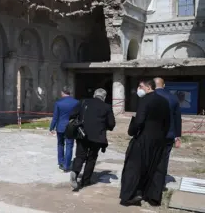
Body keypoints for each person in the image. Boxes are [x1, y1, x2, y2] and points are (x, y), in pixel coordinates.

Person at [119, 79, 171, 207]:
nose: (138, 89)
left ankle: (128, 197)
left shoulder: (145, 100)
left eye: (140, 86)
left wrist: (132, 131)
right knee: (154, 168)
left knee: (133, 167)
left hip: (143, 138)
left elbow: (139, 121)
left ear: (148, 87)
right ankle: (152, 197)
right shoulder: (164, 101)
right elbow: (167, 123)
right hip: (158, 140)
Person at [69, 88, 115, 190]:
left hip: (82, 134)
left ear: (94, 94)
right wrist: (104, 125)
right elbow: (111, 124)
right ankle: (86, 181)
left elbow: (71, 115)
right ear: (104, 97)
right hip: (98, 137)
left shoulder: (83, 102)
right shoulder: (107, 107)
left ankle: (75, 172)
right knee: (92, 158)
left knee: (80, 155)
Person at [154, 77, 182, 190]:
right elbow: (177, 119)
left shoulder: (149, 97)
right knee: (163, 159)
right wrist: (177, 136)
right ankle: (160, 183)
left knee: (150, 157)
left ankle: (149, 182)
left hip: (151, 135)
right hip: (168, 135)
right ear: (164, 85)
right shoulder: (173, 98)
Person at [49, 86, 79, 172]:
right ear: (70, 93)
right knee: (69, 146)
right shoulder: (76, 102)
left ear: (62, 92)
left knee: (60, 144)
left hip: (60, 127)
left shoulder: (58, 103)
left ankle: (61, 162)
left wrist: (52, 127)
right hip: (71, 127)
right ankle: (66, 165)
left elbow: (55, 117)